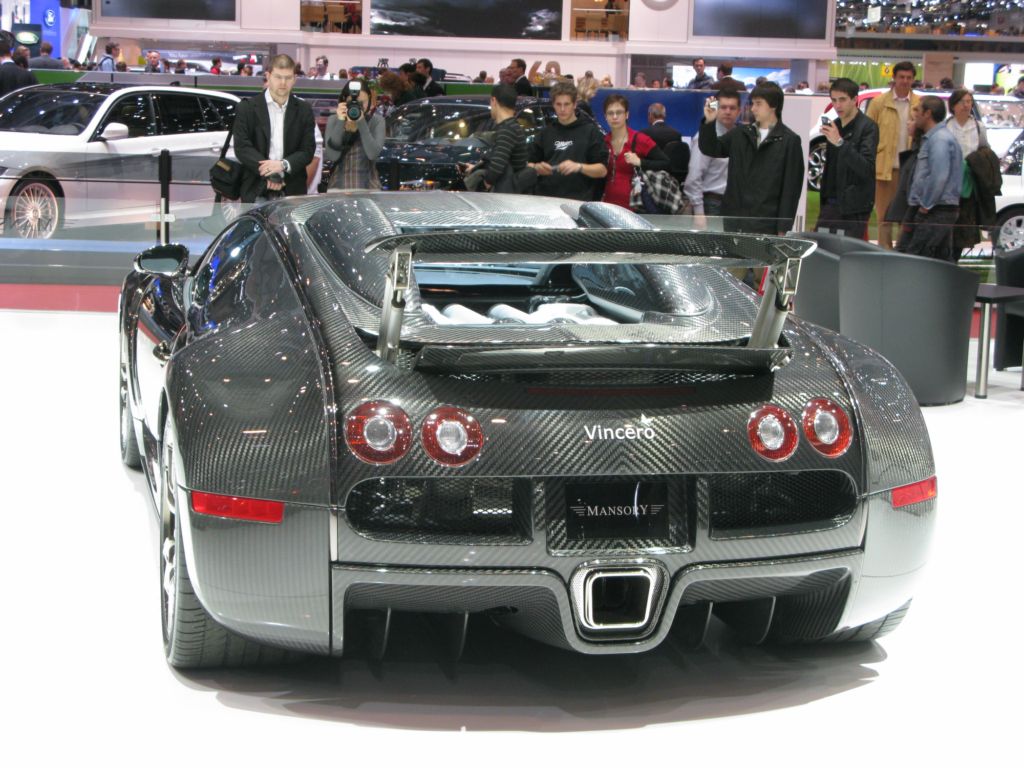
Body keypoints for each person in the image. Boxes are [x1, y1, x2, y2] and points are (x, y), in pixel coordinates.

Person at [698, 81, 804, 235]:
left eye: (758, 104)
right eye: (752, 103)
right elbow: (711, 148)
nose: (753, 108)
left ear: (773, 105)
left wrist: (783, 229)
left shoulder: (790, 141)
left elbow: (791, 190)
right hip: (734, 221)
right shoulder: (740, 133)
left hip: (766, 224)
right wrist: (709, 122)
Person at [232, 54, 315, 203]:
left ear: (294, 79)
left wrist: (282, 165)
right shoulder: (247, 108)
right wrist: (270, 172)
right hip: (255, 187)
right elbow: (242, 147)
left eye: (288, 78)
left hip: (293, 190)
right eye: (278, 77)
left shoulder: (304, 110)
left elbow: (307, 150)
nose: (283, 83)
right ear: (268, 76)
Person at [897, 95, 962, 262]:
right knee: (940, 261)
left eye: (918, 110)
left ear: (928, 113)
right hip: (936, 208)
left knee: (916, 259)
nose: (915, 114)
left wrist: (925, 205)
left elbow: (939, 176)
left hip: (935, 209)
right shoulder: (934, 138)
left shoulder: (939, 140)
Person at [815, 78, 879, 239]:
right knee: (822, 248)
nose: (837, 105)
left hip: (854, 207)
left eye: (842, 100)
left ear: (855, 99)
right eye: (834, 100)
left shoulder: (868, 127)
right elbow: (831, 167)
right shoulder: (835, 125)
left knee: (847, 251)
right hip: (830, 203)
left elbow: (866, 168)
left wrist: (840, 142)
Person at [866, 60, 920, 249]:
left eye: (909, 77)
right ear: (894, 78)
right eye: (901, 77)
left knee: (906, 217)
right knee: (884, 216)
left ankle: (902, 253)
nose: (905, 81)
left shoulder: (919, 104)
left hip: (911, 170)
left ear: (913, 79)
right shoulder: (879, 103)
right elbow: (868, 134)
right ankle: (884, 253)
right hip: (884, 168)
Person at [527, 81, 608, 201]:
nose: (562, 109)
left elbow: (602, 170)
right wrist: (536, 167)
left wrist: (579, 167)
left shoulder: (590, 132)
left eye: (566, 104)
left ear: (575, 104)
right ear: (553, 105)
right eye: (558, 104)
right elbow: (528, 164)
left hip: (577, 201)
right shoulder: (545, 133)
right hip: (546, 200)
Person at [600, 94, 669, 209]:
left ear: (627, 114)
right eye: (610, 113)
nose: (615, 116)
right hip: (608, 207)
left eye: (619, 112)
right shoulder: (603, 142)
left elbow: (666, 163)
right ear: (605, 117)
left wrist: (640, 162)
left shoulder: (640, 139)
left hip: (635, 208)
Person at [685, 88, 741, 228]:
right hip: (711, 205)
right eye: (723, 107)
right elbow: (694, 176)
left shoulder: (739, 136)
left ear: (739, 111)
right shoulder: (705, 138)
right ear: (716, 109)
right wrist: (699, 212)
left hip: (734, 205)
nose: (728, 111)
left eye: (732, 108)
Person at [945, 88, 991, 255]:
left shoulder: (979, 127)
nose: (966, 105)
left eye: (969, 102)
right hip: (949, 182)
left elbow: (986, 149)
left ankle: (956, 256)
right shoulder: (946, 126)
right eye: (962, 102)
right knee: (949, 222)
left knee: (965, 224)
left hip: (970, 182)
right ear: (953, 105)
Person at [463, 83, 529, 192]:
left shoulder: (507, 129)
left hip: (504, 195)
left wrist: (484, 184)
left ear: (494, 101)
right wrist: (475, 168)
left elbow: (497, 166)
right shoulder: (512, 126)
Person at [323, 78, 385, 190]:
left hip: (369, 187)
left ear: (369, 100)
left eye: (362, 103)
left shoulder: (376, 121)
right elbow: (333, 156)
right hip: (338, 187)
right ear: (344, 101)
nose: (358, 106)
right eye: (352, 102)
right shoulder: (334, 120)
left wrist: (361, 122)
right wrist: (341, 121)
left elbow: (372, 154)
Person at [643, 102, 688, 184]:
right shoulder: (676, 134)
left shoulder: (644, 133)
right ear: (664, 116)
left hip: (651, 180)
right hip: (672, 180)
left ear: (650, 115)